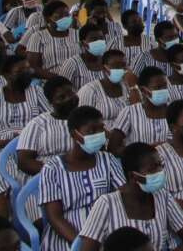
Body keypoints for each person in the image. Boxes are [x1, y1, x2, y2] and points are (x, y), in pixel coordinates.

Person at [78, 141, 183, 251]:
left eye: (160, 165)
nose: (160, 171)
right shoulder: (106, 204)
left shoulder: (163, 197)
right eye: (153, 169)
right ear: (133, 176)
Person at [38, 105, 125, 251]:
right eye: (91, 131)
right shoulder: (52, 168)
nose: (99, 134)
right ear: (75, 134)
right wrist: (81, 244)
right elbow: (55, 217)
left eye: (101, 129)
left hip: (105, 227)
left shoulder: (108, 160)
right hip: (67, 234)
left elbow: (122, 195)